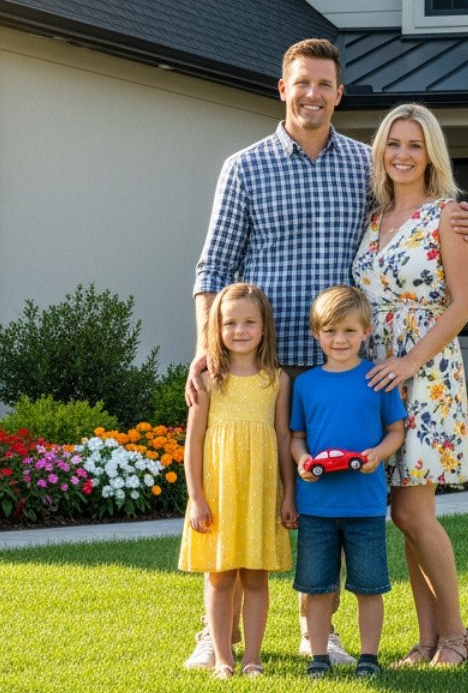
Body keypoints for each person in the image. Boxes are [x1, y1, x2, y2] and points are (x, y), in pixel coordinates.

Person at [188, 37, 468, 668]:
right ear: (283, 87)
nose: (313, 94)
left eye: (325, 84)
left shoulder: (363, 167)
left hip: (352, 369)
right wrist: (205, 347)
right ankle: (217, 636)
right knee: (251, 495)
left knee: (344, 501)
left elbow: (437, 240)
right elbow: (213, 265)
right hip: (264, 364)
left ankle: (319, 633)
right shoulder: (246, 167)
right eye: (302, 83)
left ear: (339, 93)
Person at [353, 103, 468, 667]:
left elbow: (465, 304)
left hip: (425, 373)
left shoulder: (448, 215)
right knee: (401, 512)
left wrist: (410, 362)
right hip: (376, 372)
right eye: (393, 144)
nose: (402, 155)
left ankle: (456, 637)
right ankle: (427, 641)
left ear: (431, 153)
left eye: (414, 145)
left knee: (414, 512)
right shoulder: (372, 218)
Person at [178, 283, 297, 678]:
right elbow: (193, 442)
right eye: (230, 323)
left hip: (261, 493)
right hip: (218, 492)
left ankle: (253, 659)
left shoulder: (277, 380)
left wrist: (288, 495)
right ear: (217, 327)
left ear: (265, 327)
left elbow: (283, 438)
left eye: (249, 322)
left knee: (256, 576)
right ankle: (223, 658)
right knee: (220, 575)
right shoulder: (209, 379)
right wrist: (196, 498)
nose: (240, 330)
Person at [289, 286, 407, 680]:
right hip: (317, 505)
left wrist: (378, 453)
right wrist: (304, 461)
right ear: (315, 334)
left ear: (366, 332)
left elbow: (396, 430)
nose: (340, 340)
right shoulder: (305, 384)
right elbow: (296, 437)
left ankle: (368, 657)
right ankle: (318, 655)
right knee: (317, 586)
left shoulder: (377, 378)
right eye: (331, 331)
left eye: (349, 331)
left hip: (364, 505)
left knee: (368, 586)